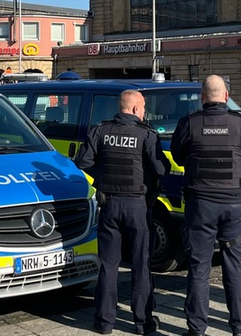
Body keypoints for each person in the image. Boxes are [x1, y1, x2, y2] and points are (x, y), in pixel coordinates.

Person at [170, 75, 241, 336]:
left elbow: (178, 156)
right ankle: (240, 328)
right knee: (235, 267)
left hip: (201, 206)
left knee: (199, 268)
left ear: (202, 97)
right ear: (226, 96)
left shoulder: (188, 123)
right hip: (234, 205)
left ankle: (196, 329)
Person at [75, 90, 170, 335]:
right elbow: (161, 169)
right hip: (137, 205)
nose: (145, 112)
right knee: (140, 264)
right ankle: (142, 322)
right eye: (144, 108)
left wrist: (102, 179)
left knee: (108, 265)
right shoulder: (145, 134)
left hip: (109, 204)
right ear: (136, 109)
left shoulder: (101, 131)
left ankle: (104, 323)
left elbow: (83, 162)